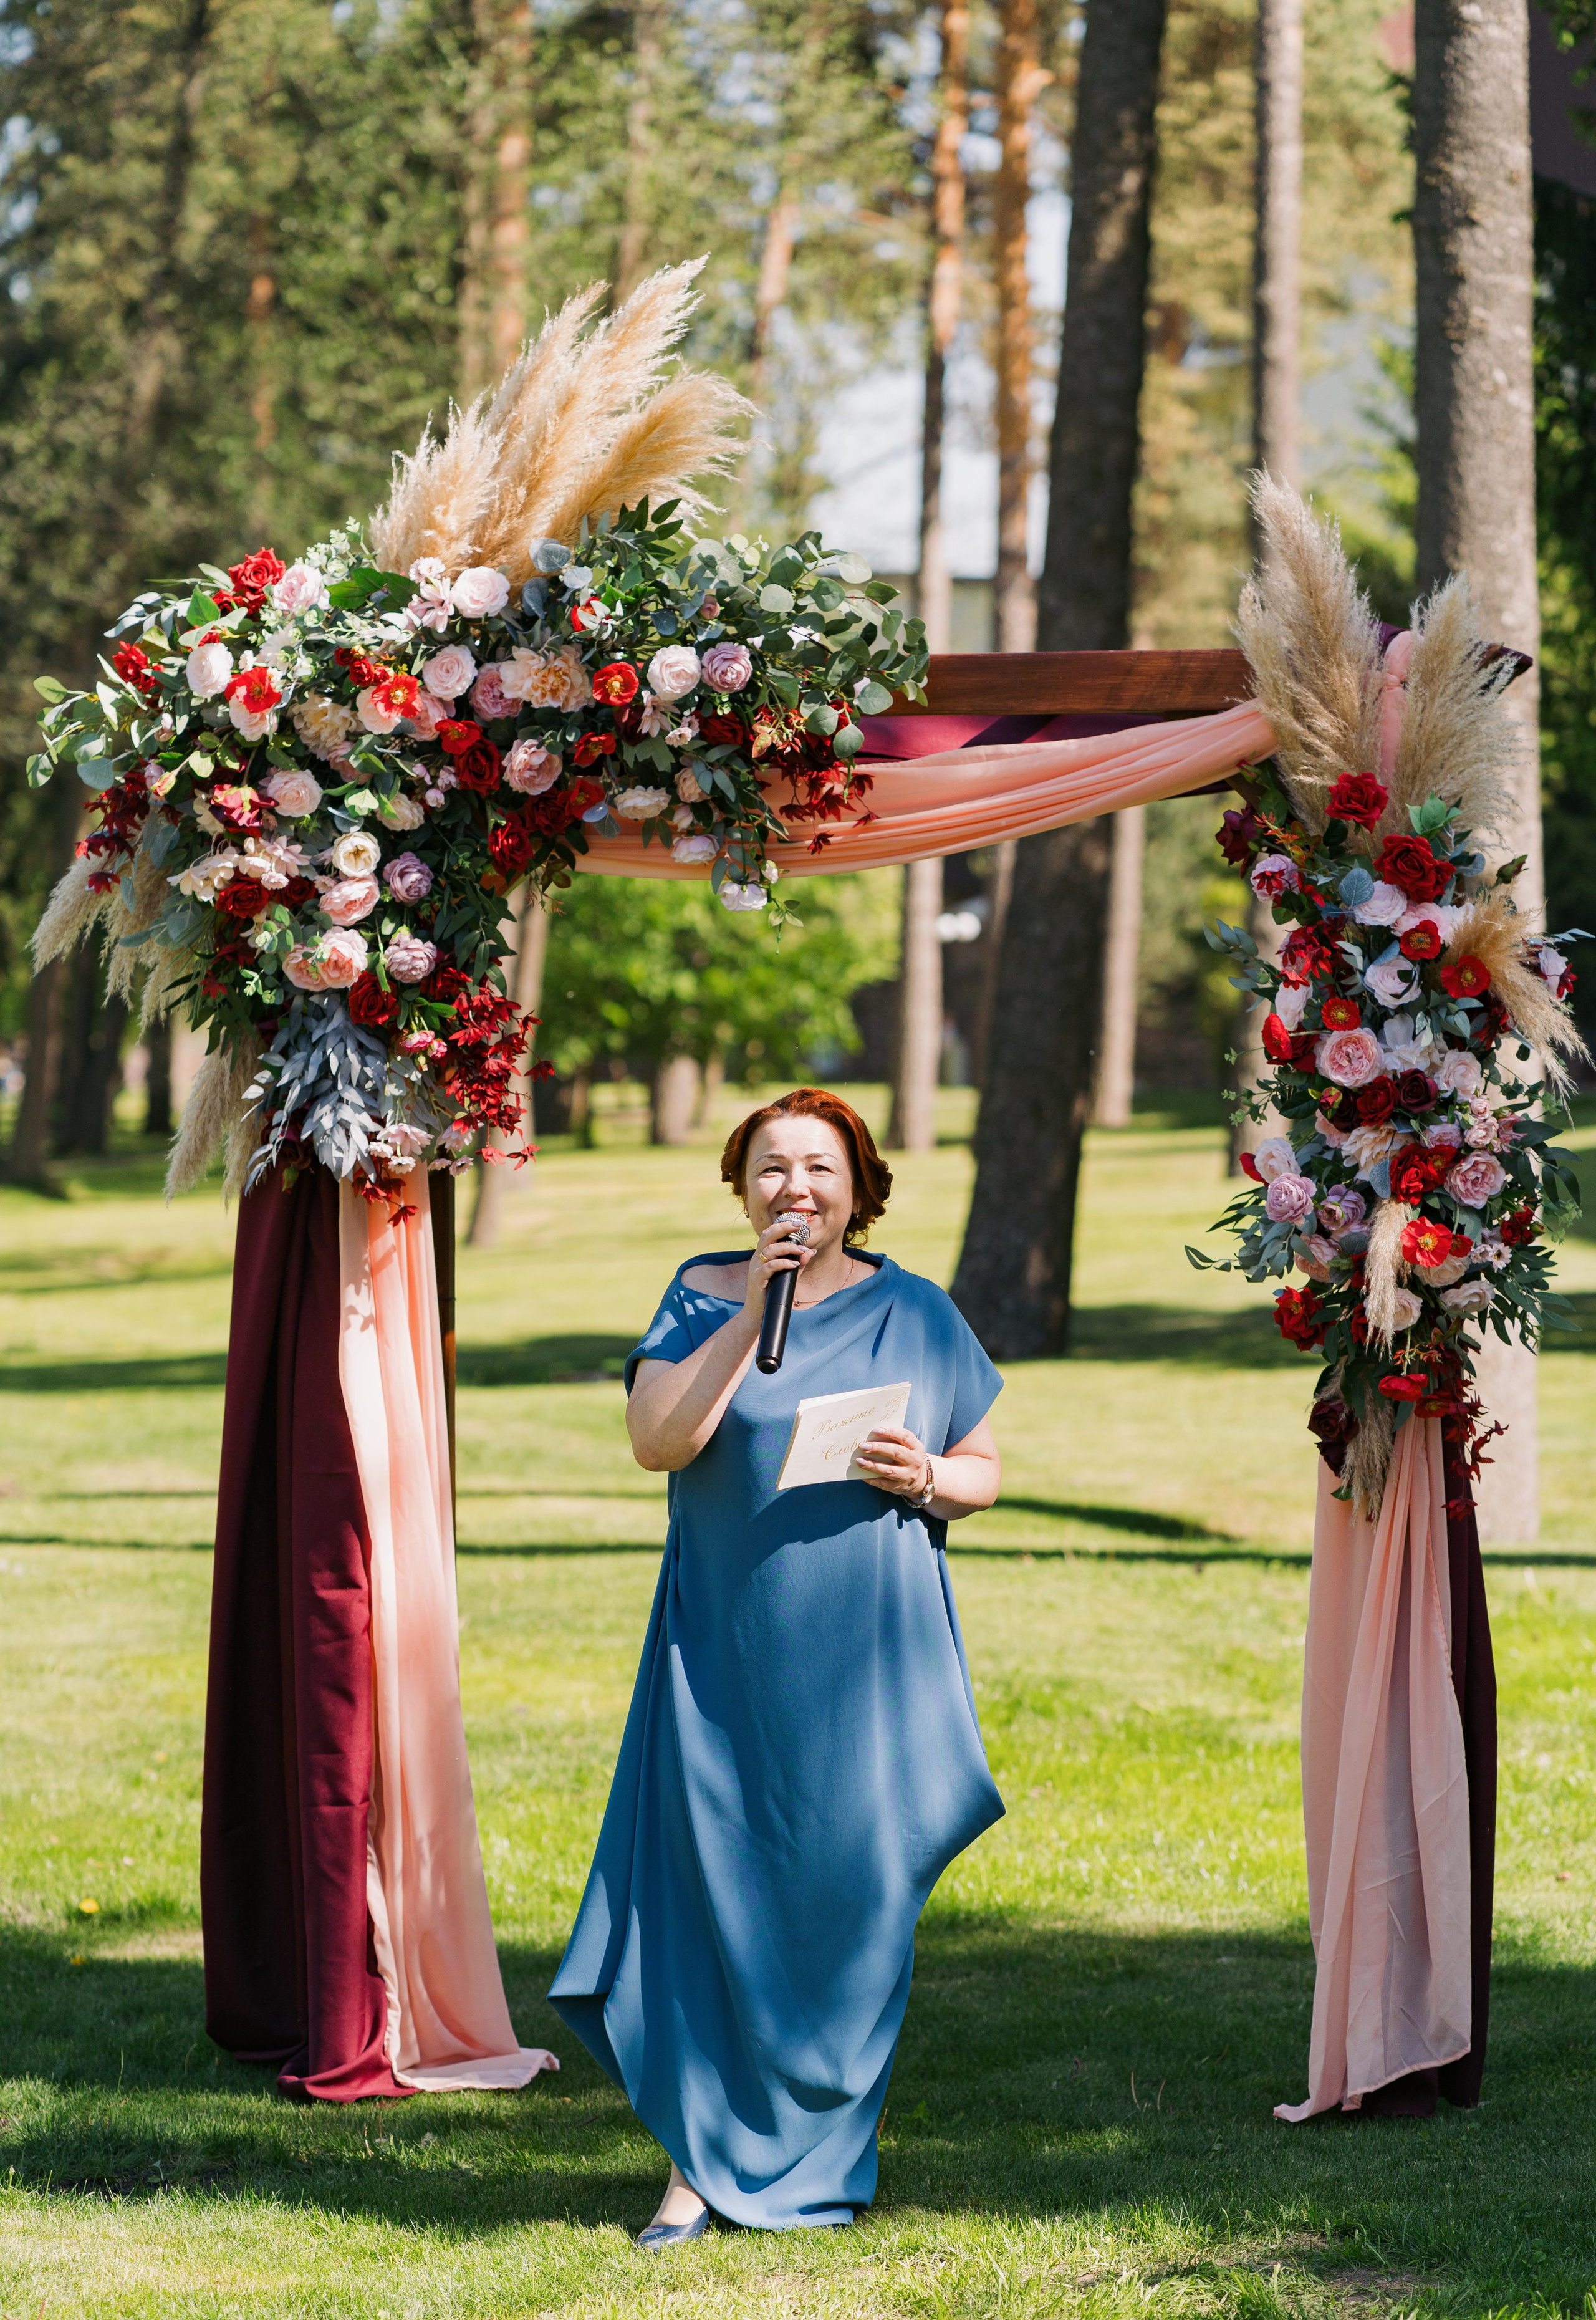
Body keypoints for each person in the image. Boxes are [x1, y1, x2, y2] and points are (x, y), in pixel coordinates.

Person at [548, 1087, 1005, 2245]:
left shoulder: (920, 1309)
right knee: (713, 1896)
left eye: (818, 1168)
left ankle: (825, 2146)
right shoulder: (705, 1294)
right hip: (728, 1648)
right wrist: (752, 1312)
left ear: (859, 1184)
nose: (794, 1189)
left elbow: (982, 1466)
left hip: (869, 1656)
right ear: (741, 1185)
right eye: (770, 1169)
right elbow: (659, 1441)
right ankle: (697, 2168)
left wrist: (925, 1478)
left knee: (850, 1897)